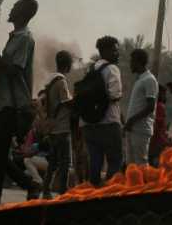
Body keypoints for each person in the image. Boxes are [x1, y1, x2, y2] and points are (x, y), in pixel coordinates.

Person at [0, 0, 42, 213]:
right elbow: (6, 68)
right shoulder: (14, 38)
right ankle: (29, 184)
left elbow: (14, 70)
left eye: (16, 6)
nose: (11, 8)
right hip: (2, 102)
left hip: (13, 104)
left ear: (24, 13)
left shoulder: (25, 39)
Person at [83, 36, 124, 186]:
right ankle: (107, 194)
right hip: (109, 123)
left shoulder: (90, 69)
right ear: (105, 51)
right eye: (114, 50)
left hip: (89, 124)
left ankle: (91, 194)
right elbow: (115, 95)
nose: (117, 54)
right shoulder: (112, 69)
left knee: (95, 161)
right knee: (115, 160)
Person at [40, 50, 75, 198]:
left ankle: (46, 190)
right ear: (68, 65)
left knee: (53, 162)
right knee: (65, 162)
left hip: (52, 128)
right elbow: (66, 102)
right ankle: (63, 191)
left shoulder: (50, 81)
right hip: (62, 128)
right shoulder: (61, 81)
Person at [123, 47, 158, 169]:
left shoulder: (149, 80)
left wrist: (132, 120)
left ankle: (144, 188)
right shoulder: (140, 80)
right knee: (131, 166)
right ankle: (133, 188)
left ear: (138, 62)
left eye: (132, 61)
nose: (130, 64)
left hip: (141, 129)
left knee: (141, 164)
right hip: (132, 129)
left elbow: (150, 106)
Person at [148, 88, 171, 167]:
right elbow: (157, 126)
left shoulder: (153, 106)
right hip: (157, 143)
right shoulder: (159, 106)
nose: (165, 96)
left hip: (152, 143)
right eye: (163, 94)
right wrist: (165, 141)